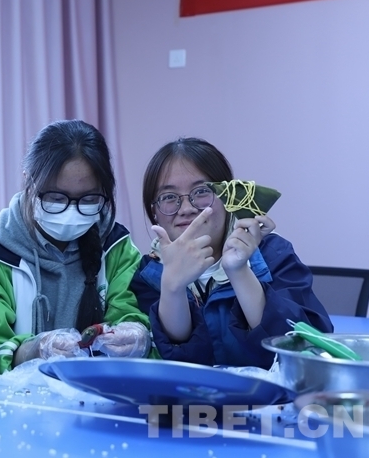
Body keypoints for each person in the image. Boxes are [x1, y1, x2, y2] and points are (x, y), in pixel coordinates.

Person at [0, 119, 154, 383]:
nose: (71, 211)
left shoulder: (116, 247)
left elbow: (131, 314)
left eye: (89, 199)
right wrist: (32, 350)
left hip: (100, 395)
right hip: (21, 402)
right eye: (55, 198)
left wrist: (136, 336)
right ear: (28, 182)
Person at [129, 137, 333, 368]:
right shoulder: (148, 274)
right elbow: (178, 365)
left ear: (228, 198)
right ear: (154, 212)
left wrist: (239, 271)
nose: (186, 209)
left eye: (201, 191)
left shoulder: (272, 254)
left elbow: (311, 349)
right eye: (168, 197)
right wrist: (172, 287)